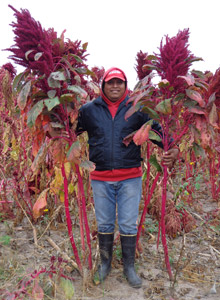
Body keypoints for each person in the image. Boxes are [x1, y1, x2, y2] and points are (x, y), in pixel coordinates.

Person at [76, 67, 179, 288]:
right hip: (100, 177)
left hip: (130, 177)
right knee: (104, 222)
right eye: (110, 82)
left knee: (128, 224)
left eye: (119, 82)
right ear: (103, 85)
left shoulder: (138, 109)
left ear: (125, 85)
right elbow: (69, 131)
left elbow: (159, 132)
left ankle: (129, 267)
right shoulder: (88, 110)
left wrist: (173, 148)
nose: (115, 86)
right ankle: (105, 265)